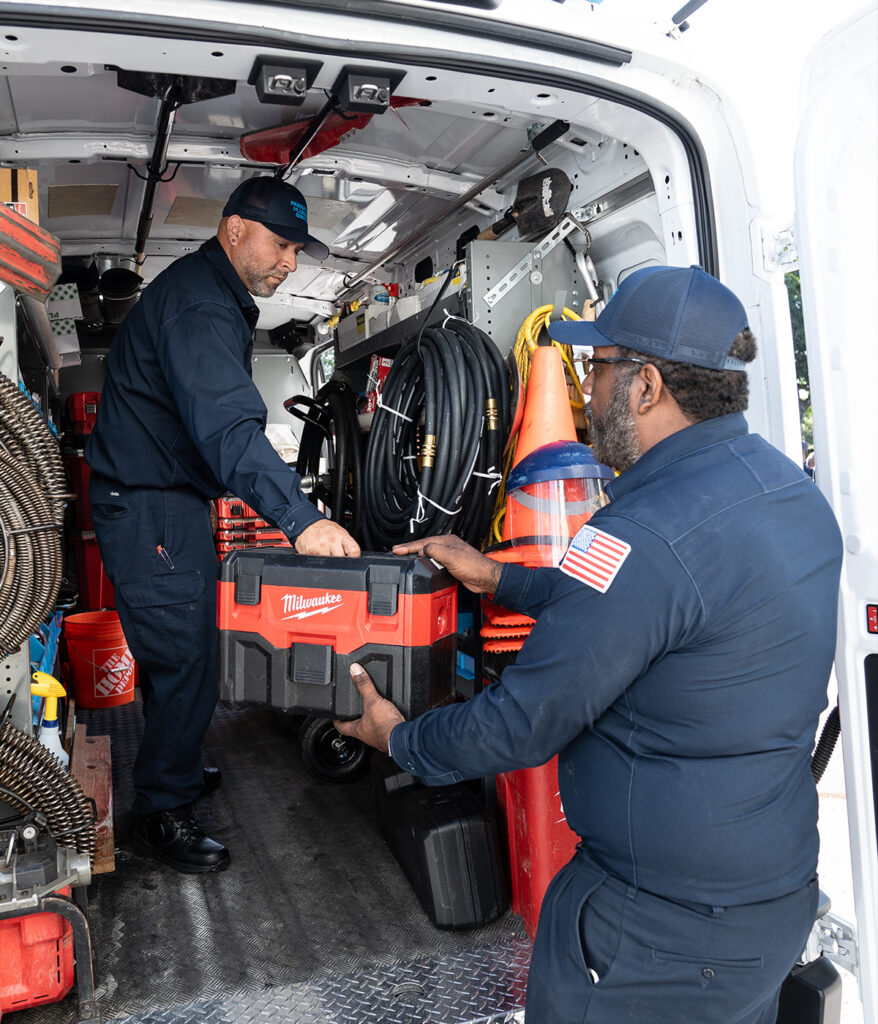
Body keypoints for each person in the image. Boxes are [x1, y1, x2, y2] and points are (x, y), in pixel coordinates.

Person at [335, 265, 843, 1023]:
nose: (586, 389)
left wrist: (400, 737)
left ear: (647, 389)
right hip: (766, 902)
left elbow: (523, 722)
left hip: (654, 934)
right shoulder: (789, 493)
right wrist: (500, 579)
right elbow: (667, 616)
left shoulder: (640, 534)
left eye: (596, 367)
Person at [86, 176, 360, 874]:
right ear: (234, 229)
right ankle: (164, 812)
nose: (290, 263)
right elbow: (230, 431)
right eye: (281, 245)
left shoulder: (208, 296)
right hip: (150, 502)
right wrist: (300, 521)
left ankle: (169, 763)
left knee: (182, 648)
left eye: (297, 250)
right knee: (185, 656)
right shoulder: (202, 306)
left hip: (163, 500)